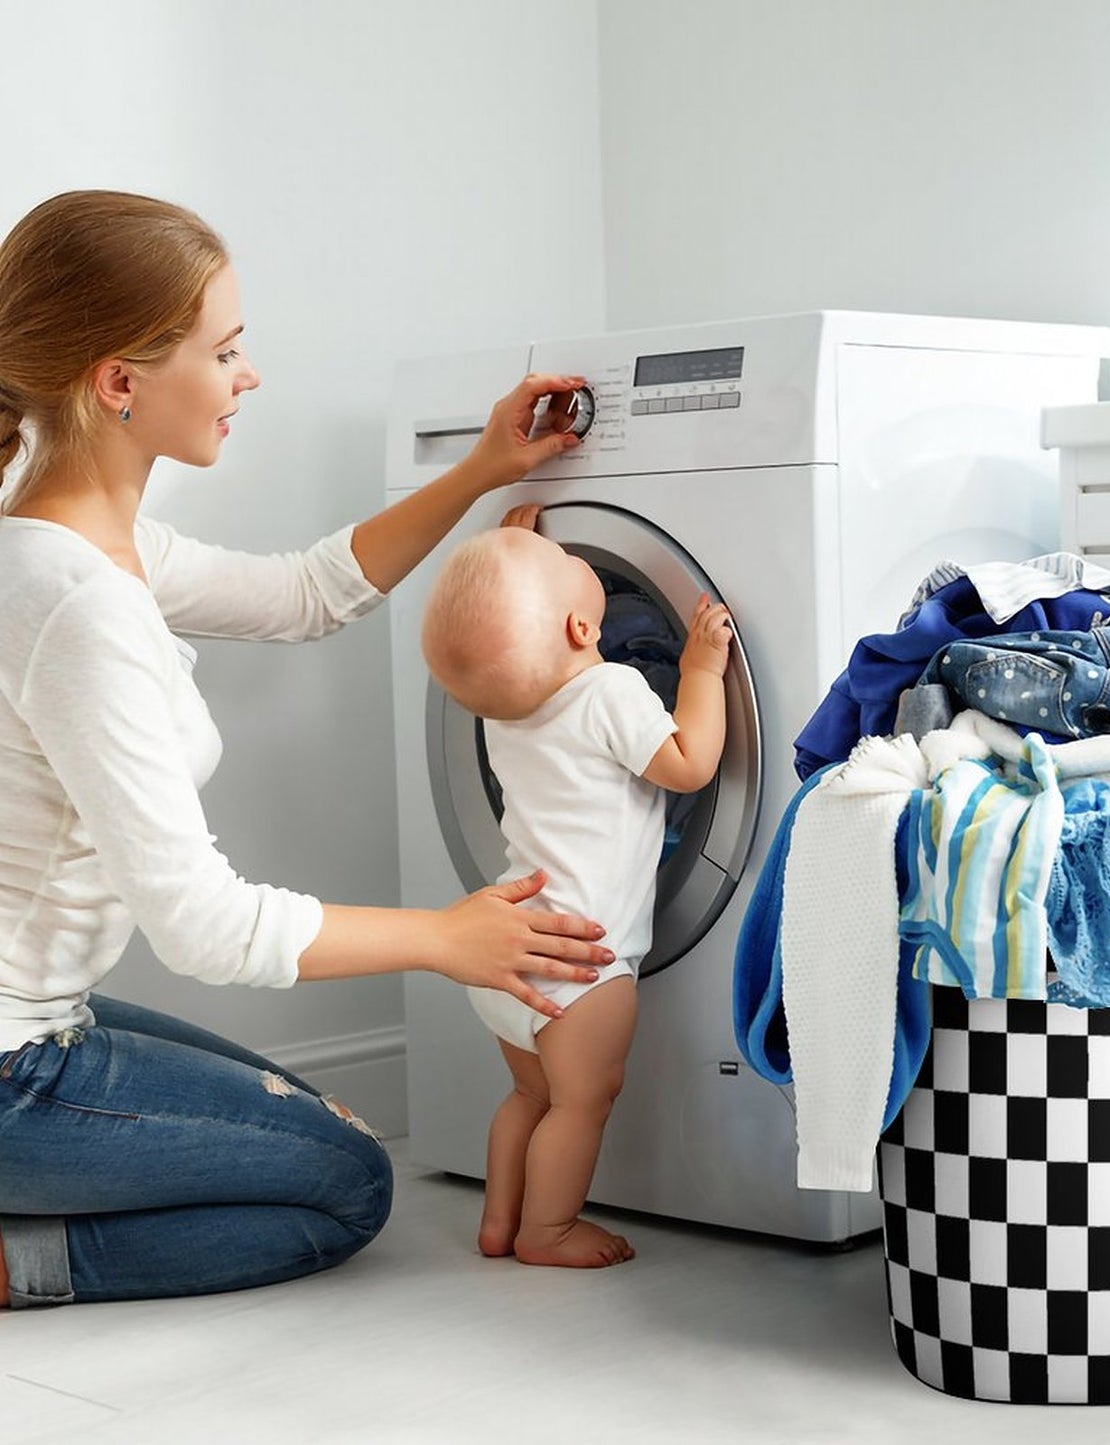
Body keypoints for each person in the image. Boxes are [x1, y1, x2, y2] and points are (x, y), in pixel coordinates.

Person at [0, 189, 617, 1309]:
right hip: (13, 1066)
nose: (251, 376)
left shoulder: (76, 538)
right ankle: (17, 1257)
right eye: (225, 350)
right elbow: (203, 923)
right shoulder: (76, 602)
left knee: (306, 1120)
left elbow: (305, 593)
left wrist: (484, 467)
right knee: (343, 1182)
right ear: (119, 381)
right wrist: (445, 936)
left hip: (37, 1017)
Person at [421, 519, 731, 1267]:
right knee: (582, 1103)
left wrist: (511, 558)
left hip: (510, 945)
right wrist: (697, 672)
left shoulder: (502, 708)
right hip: (582, 963)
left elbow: (503, 643)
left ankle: (498, 1220)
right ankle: (547, 1229)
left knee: (528, 1098)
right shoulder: (612, 688)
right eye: (565, 558)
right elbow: (687, 764)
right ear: (583, 625)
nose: (571, 552)